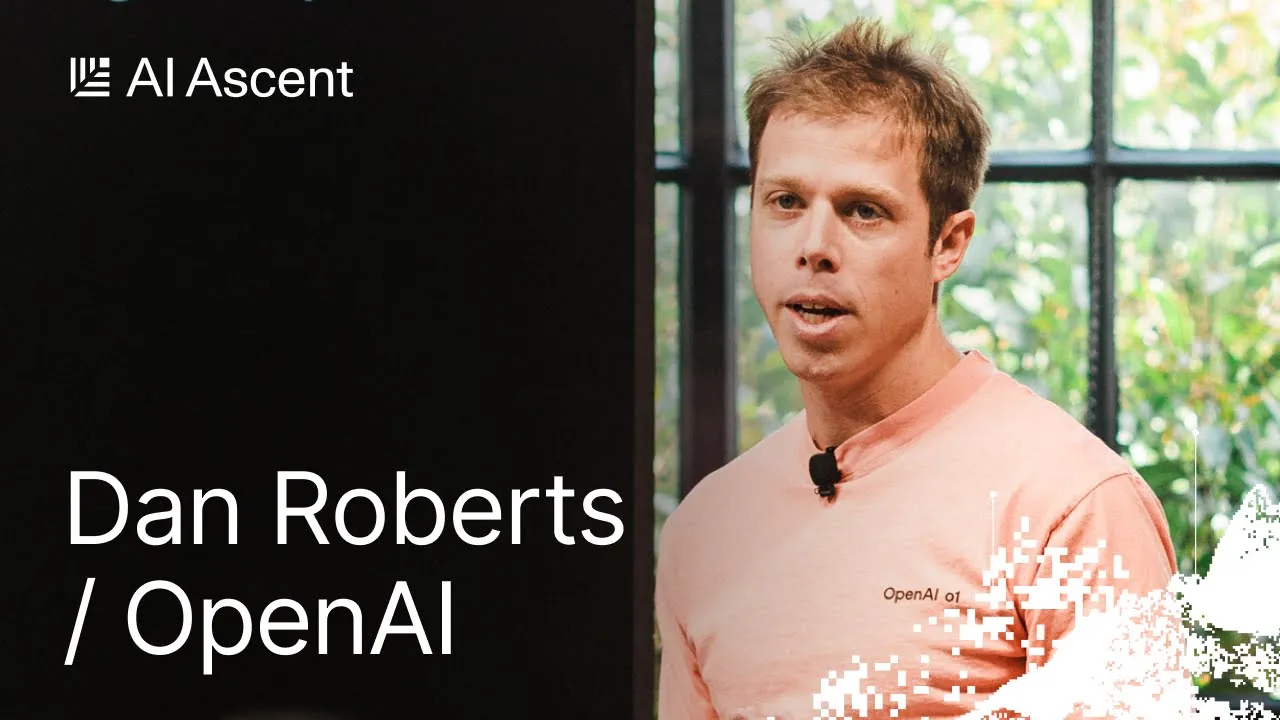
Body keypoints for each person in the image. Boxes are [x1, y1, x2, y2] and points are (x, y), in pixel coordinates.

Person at [654, 18, 1182, 720]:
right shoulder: (707, 527)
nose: (814, 246)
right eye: (785, 202)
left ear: (949, 244)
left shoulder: (1075, 506)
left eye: (863, 211)